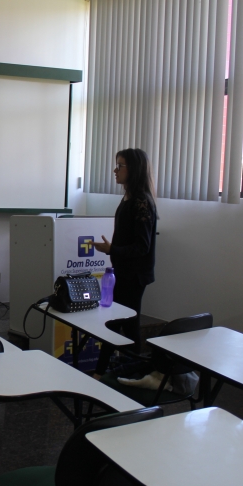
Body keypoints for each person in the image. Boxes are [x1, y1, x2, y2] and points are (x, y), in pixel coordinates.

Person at [92, 148, 157, 378]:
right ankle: (121, 372)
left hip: (134, 276)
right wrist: (113, 251)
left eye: (120, 166)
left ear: (134, 169)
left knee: (123, 325)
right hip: (123, 272)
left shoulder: (141, 202)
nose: (115, 170)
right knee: (120, 323)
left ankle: (115, 373)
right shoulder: (129, 198)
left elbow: (142, 247)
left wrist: (112, 249)